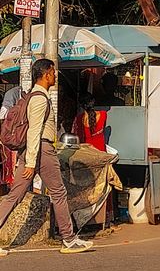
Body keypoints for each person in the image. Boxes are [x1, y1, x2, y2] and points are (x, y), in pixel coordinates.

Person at [0, 59, 93, 256]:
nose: (55, 75)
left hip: (34, 150)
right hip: (41, 150)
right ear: (45, 74)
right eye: (52, 71)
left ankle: (68, 238)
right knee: (58, 193)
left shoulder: (35, 96)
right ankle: (68, 239)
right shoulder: (40, 98)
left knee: (14, 196)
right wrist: (32, 162)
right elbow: (34, 131)